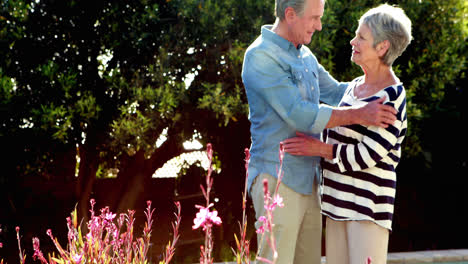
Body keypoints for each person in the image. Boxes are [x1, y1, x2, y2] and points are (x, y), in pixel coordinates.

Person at [241, 0, 399, 263]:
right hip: (277, 180)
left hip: (310, 181)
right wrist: (360, 114)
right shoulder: (260, 56)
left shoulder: (304, 55)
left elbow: (338, 92)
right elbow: (299, 115)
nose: (319, 25)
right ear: (290, 15)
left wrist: (383, 89)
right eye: (314, 18)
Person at [282, 4, 412, 264]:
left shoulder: (392, 96)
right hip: (335, 206)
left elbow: (367, 155)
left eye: (361, 37)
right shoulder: (353, 88)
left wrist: (317, 149)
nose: (353, 41)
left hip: (367, 211)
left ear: (382, 47)